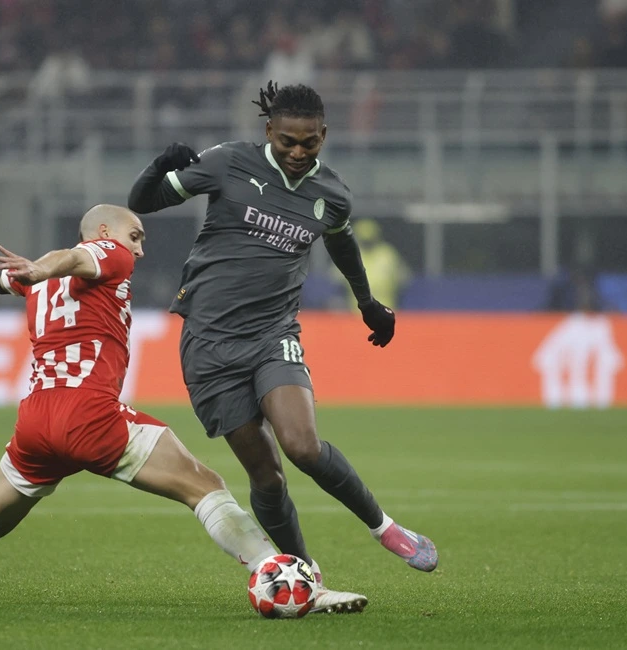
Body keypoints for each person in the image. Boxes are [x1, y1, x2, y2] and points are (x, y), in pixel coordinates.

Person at [127, 83, 438, 610]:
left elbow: (340, 240)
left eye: (310, 143)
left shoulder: (332, 194)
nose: (298, 153)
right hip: (208, 343)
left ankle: (383, 526)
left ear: (324, 137)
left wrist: (367, 302)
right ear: (269, 131)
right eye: (289, 141)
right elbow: (143, 202)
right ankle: (306, 576)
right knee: (265, 475)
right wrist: (160, 166)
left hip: (274, 335)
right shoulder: (228, 163)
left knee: (301, 445)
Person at [0, 205, 281, 608]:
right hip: (89, 413)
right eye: (136, 236)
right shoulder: (110, 253)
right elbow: (73, 257)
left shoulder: (33, 281)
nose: (139, 251)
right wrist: (43, 268)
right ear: (105, 232)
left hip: (36, 420)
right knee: (205, 486)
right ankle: (276, 574)